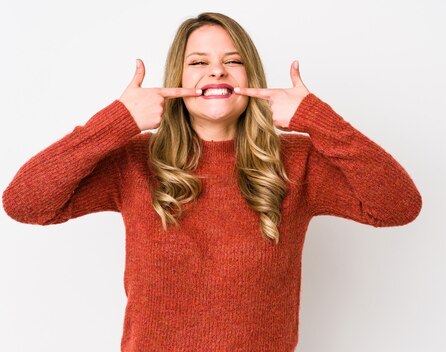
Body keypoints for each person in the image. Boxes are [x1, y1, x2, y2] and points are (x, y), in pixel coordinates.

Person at [2, 12, 422, 352]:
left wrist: (318, 119)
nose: (216, 72)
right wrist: (116, 121)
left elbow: (399, 206)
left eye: (233, 61)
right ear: (178, 79)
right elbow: (24, 203)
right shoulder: (135, 161)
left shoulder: (296, 162)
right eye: (198, 62)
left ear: (250, 77)